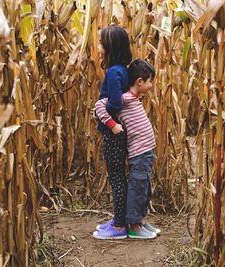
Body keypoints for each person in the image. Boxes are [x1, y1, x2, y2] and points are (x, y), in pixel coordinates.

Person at [94, 59, 161, 239]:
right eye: (150, 81)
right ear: (140, 82)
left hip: (145, 152)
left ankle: (140, 221)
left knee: (144, 187)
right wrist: (112, 124)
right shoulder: (123, 99)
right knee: (137, 187)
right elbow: (99, 106)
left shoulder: (133, 98)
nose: (151, 85)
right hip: (139, 153)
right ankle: (133, 226)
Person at [92, 26, 132, 240]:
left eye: (100, 43)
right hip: (117, 131)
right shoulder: (121, 70)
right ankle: (119, 219)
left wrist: (100, 110)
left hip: (114, 133)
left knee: (116, 178)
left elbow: (115, 102)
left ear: (110, 48)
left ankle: (118, 227)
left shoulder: (113, 72)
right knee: (119, 177)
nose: (98, 47)